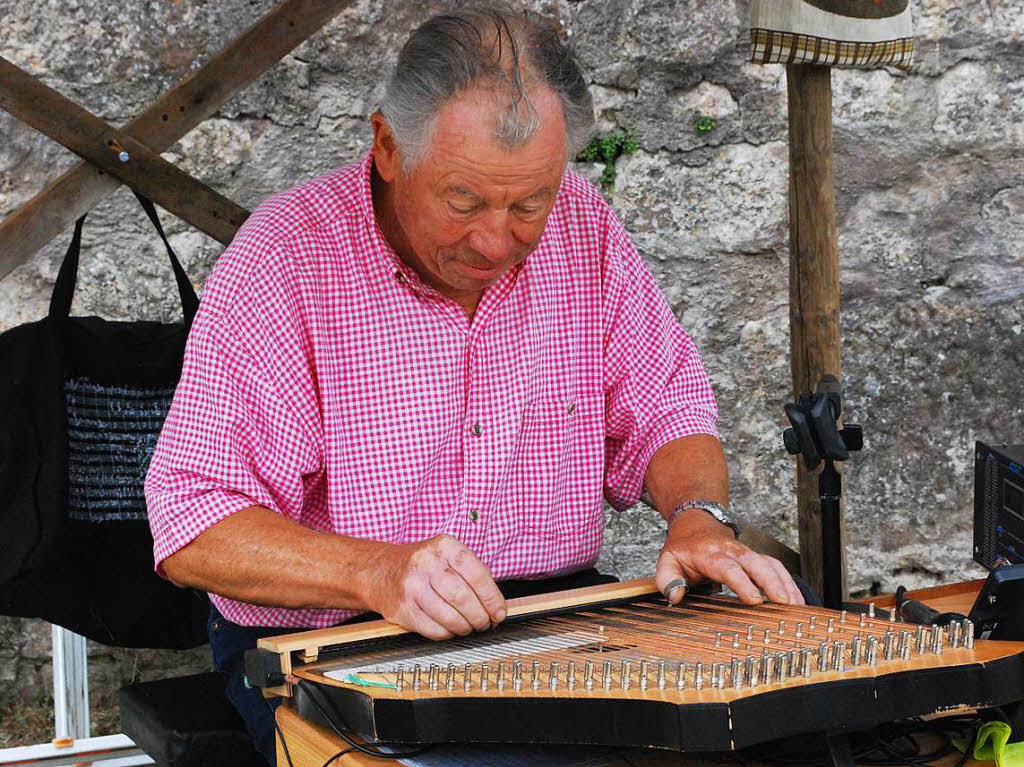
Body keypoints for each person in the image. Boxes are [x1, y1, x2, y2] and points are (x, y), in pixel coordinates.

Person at [144, 5, 803, 763]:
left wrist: (696, 516)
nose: (498, 241)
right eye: (464, 201)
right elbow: (194, 522)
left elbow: (665, 406)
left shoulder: (582, 228)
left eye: (529, 204)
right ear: (390, 147)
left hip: (559, 616)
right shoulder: (288, 258)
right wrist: (377, 570)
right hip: (341, 639)